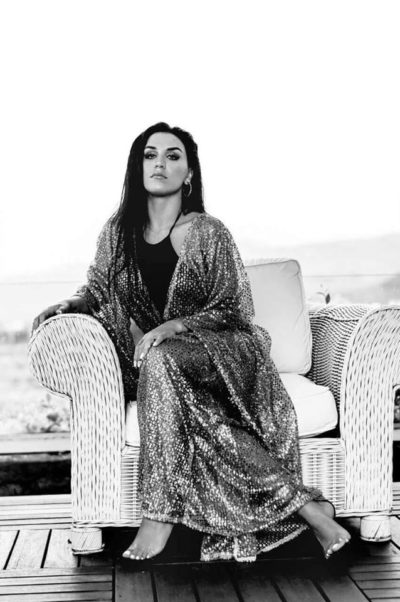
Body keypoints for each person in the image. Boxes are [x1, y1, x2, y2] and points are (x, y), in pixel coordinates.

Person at [32, 122, 351, 563]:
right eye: (150, 155)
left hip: (223, 351)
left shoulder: (208, 231)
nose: (160, 163)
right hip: (165, 364)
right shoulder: (117, 233)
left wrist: (175, 326)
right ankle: (311, 511)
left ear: (190, 173)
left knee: (161, 359)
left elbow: (234, 308)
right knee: (188, 398)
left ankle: (158, 515)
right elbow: (99, 289)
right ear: (137, 167)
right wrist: (70, 303)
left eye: (173, 155)